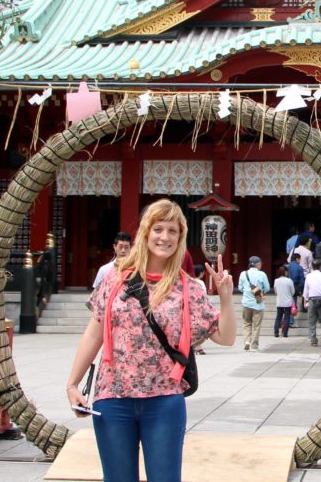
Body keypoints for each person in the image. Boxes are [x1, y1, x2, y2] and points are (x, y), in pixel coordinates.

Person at [66, 199, 236, 482]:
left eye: (173, 231)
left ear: (180, 238)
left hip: (164, 399)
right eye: (158, 229)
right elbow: (94, 332)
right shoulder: (115, 278)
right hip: (113, 396)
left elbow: (226, 337)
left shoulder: (188, 287)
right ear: (146, 233)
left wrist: (226, 297)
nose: (165, 237)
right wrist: (73, 383)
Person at [238, 255, 270, 351]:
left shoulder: (243, 274)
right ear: (258, 264)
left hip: (246, 303)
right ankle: (254, 345)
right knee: (256, 326)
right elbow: (267, 288)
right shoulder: (262, 274)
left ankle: (247, 341)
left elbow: (240, 288)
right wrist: (260, 291)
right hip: (258, 304)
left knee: (246, 323)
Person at [303, 260, 321, 346]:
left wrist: (305, 301)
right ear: (320, 267)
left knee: (312, 321)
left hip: (312, 299)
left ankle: (313, 340)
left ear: (312, 266)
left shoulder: (308, 276)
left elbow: (306, 290)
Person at [273, 265, 295, 338]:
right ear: (285, 272)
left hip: (279, 302)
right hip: (287, 302)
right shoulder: (289, 281)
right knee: (287, 318)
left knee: (278, 317)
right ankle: (285, 333)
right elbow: (293, 292)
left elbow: (276, 292)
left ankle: (276, 332)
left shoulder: (276, 281)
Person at [287, 252, 306, 324]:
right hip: (295, 287)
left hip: (286, 287)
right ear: (297, 259)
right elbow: (302, 281)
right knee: (293, 304)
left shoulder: (287, 266)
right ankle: (291, 321)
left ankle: (284, 321)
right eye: (300, 259)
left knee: (286, 304)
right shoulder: (299, 268)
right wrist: (301, 291)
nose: (300, 260)